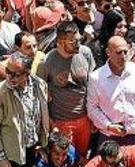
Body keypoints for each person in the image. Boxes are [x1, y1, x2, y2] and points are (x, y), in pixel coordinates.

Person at [0, 53, 50, 167]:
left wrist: (41, 144)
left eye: (16, 74)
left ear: (27, 73)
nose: (10, 77)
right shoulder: (1, 93)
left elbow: (41, 116)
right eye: (8, 72)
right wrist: (1, 158)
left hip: (31, 150)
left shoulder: (39, 85)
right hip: (11, 155)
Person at [36, 22, 95, 156]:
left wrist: (92, 117)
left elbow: (92, 86)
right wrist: (51, 125)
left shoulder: (85, 53)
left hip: (84, 118)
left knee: (82, 155)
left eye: (79, 40)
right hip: (61, 120)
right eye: (72, 42)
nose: (78, 45)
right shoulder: (47, 62)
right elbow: (40, 94)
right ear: (60, 42)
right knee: (66, 158)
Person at [87, 36, 135, 146]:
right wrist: (108, 125)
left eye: (125, 51)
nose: (123, 56)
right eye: (119, 52)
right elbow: (92, 108)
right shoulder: (96, 78)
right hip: (111, 138)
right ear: (108, 52)